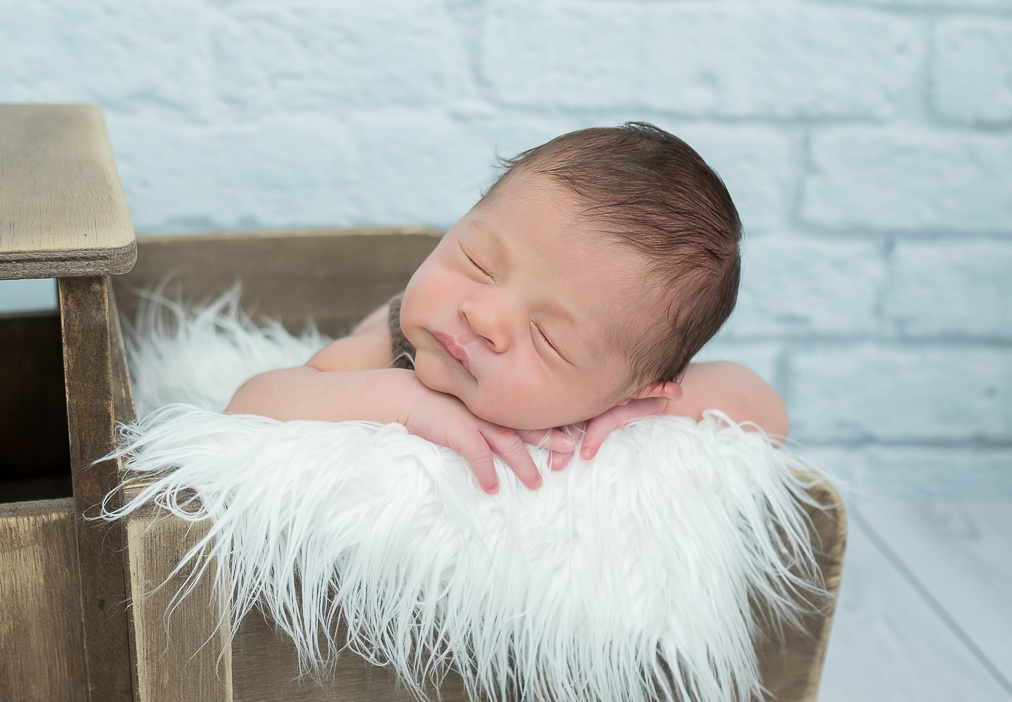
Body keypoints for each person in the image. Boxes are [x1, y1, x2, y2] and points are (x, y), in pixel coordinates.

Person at [226, 123, 787, 494]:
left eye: (548, 338)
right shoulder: (403, 342)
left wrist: (636, 410)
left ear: (628, 386)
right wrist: (405, 401)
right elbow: (253, 404)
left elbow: (767, 415)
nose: (483, 314)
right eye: (478, 261)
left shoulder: (620, 386)